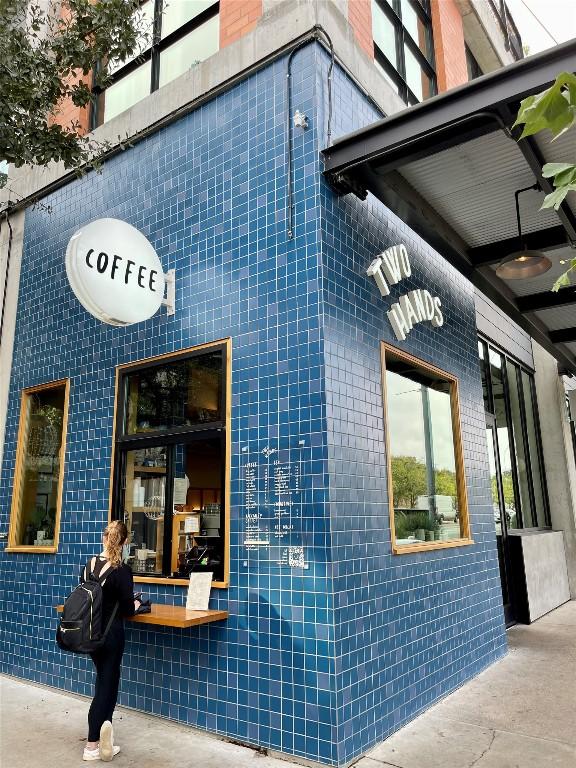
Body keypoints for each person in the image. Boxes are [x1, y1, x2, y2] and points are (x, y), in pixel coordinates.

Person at [82, 521, 141, 762]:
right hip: (112, 635)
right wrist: (136, 605)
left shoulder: (90, 565)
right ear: (125, 542)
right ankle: (92, 744)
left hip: (92, 634)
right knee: (107, 688)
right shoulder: (122, 571)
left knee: (103, 683)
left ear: (104, 538)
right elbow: (128, 609)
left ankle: (105, 735)